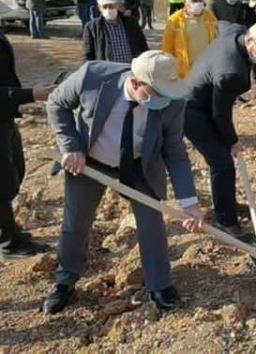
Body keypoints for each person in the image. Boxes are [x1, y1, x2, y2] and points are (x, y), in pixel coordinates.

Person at [43, 51, 205, 314]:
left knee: (152, 223)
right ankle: (65, 280)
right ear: (135, 83)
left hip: (140, 164)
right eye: (157, 94)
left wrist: (189, 202)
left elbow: (174, 151)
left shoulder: (172, 101)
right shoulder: (92, 76)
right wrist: (70, 146)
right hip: (90, 161)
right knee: (76, 223)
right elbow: (55, 103)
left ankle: (159, 285)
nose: (163, 100)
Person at [183, 21, 256, 237]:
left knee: (223, 161)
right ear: (249, 40)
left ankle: (226, 202)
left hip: (203, 101)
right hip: (191, 111)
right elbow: (219, 113)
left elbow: (222, 23)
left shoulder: (235, 32)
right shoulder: (232, 73)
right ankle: (225, 222)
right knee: (222, 162)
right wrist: (232, 141)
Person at [0, 28, 52, 259]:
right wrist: (31, 94)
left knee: (13, 172)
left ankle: (10, 229)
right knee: (1, 181)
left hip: (4, 116)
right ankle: (7, 242)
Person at [162, 0, 218, 78]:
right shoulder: (174, 20)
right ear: (185, 2)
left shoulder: (210, 17)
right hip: (184, 73)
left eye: (200, 0)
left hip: (207, 71)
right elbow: (167, 49)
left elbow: (217, 40)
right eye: (194, 0)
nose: (198, 3)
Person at [82, 0, 149, 63]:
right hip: (107, 71)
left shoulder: (131, 23)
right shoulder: (92, 27)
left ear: (117, 5)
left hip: (131, 69)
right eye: (104, 7)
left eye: (111, 6)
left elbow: (143, 46)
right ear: (99, 8)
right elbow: (88, 55)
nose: (108, 9)